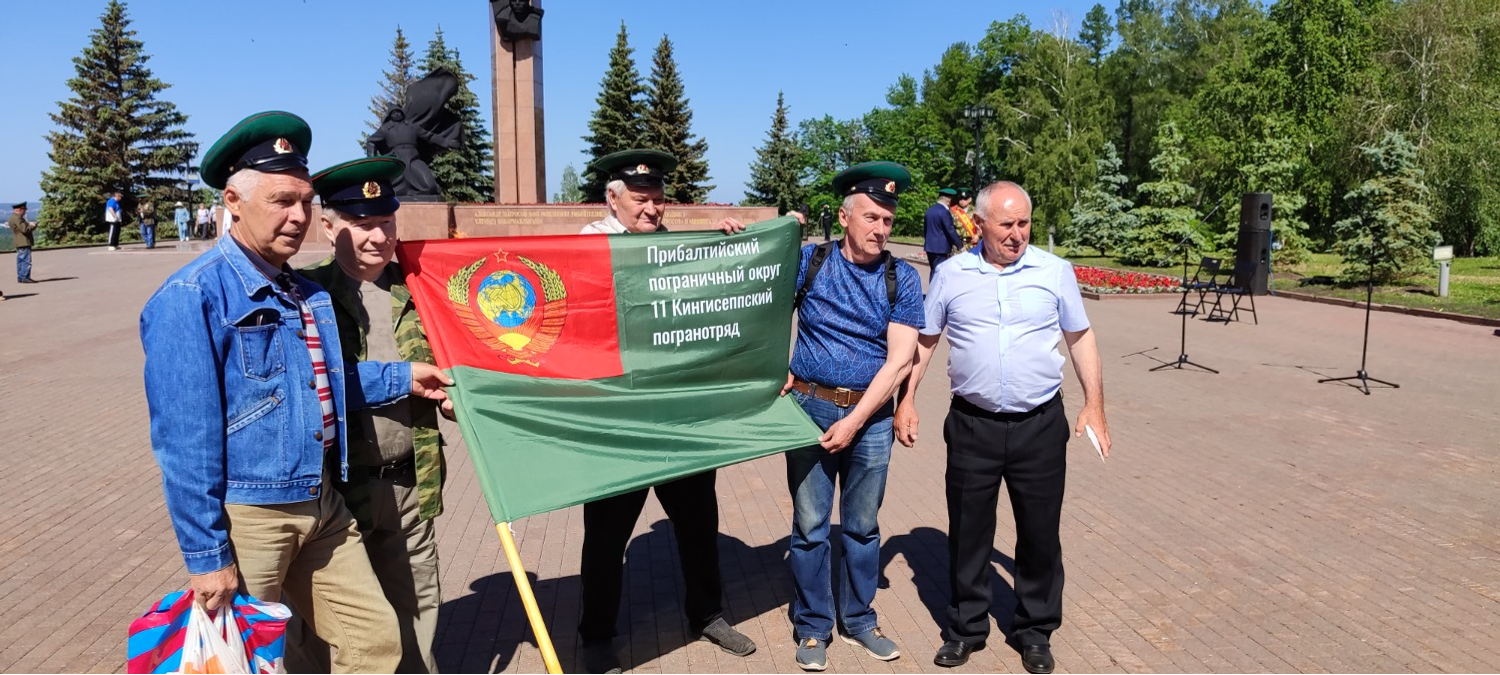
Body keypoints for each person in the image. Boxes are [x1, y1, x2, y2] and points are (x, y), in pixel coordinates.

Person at [140, 111, 456, 674]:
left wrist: (404, 378)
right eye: (282, 201)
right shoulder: (193, 295)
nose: (298, 216)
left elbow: (319, 383)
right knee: (248, 659)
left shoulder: (304, 293)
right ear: (233, 201)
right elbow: (185, 440)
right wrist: (207, 554)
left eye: (305, 201)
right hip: (252, 512)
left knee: (376, 643)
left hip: (321, 501)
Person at [896, 181, 1112, 674]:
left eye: (1024, 223)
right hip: (973, 425)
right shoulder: (951, 274)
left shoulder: (1054, 272)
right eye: (1007, 224)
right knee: (968, 532)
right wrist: (906, 399)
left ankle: (1035, 631)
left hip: (1040, 425)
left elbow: (1080, 337)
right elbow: (926, 341)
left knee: (1040, 534)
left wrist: (1094, 405)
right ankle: (966, 629)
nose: (1017, 234)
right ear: (980, 225)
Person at [574, 149, 754, 675]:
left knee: (699, 524)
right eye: (640, 199)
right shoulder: (587, 245)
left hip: (677, 418)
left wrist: (726, 245)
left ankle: (708, 614)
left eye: (657, 199)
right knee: (606, 538)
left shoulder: (672, 246)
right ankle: (597, 634)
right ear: (612, 198)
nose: (651, 208)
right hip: (618, 422)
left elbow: (713, 294)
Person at [300, 156, 446, 674]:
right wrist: (402, 378)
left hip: (411, 483)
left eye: (386, 222)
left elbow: (455, 363)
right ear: (329, 227)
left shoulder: (421, 288)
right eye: (362, 225)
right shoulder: (306, 296)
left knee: (418, 605)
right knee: (340, 626)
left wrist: (456, 398)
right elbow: (311, 385)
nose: (378, 237)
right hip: (338, 493)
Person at [781, 161, 924, 671]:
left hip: (872, 418)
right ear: (844, 218)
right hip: (808, 410)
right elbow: (760, 309)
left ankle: (860, 620)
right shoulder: (810, 261)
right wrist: (773, 366)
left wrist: (856, 420)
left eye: (887, 220)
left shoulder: (902, 278)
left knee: (862, 527)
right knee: (810, 525)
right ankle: (813, 626)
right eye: (870, 217)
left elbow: (899, 361)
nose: (880, 229)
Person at [924, 188, 964, 275]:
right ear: (948, 200)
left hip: (929, 247)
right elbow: (950, 230)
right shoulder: (944, 212)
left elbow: (926, 230)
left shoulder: (929, 210)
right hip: (941, 249)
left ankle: (932, 284)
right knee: (939, 273)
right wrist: (960, 246)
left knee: (933, 271)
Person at [10, 203, 36, 283]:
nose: (25, 212)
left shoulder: (13, 217)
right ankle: (25, 277)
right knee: (26, 260)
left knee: (21, 260)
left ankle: (21, 276)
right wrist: (33, 225)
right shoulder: (17, 218)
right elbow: (25, 230)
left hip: (19, 242)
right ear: (19, 210)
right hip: (23, 242)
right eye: (24, 210)